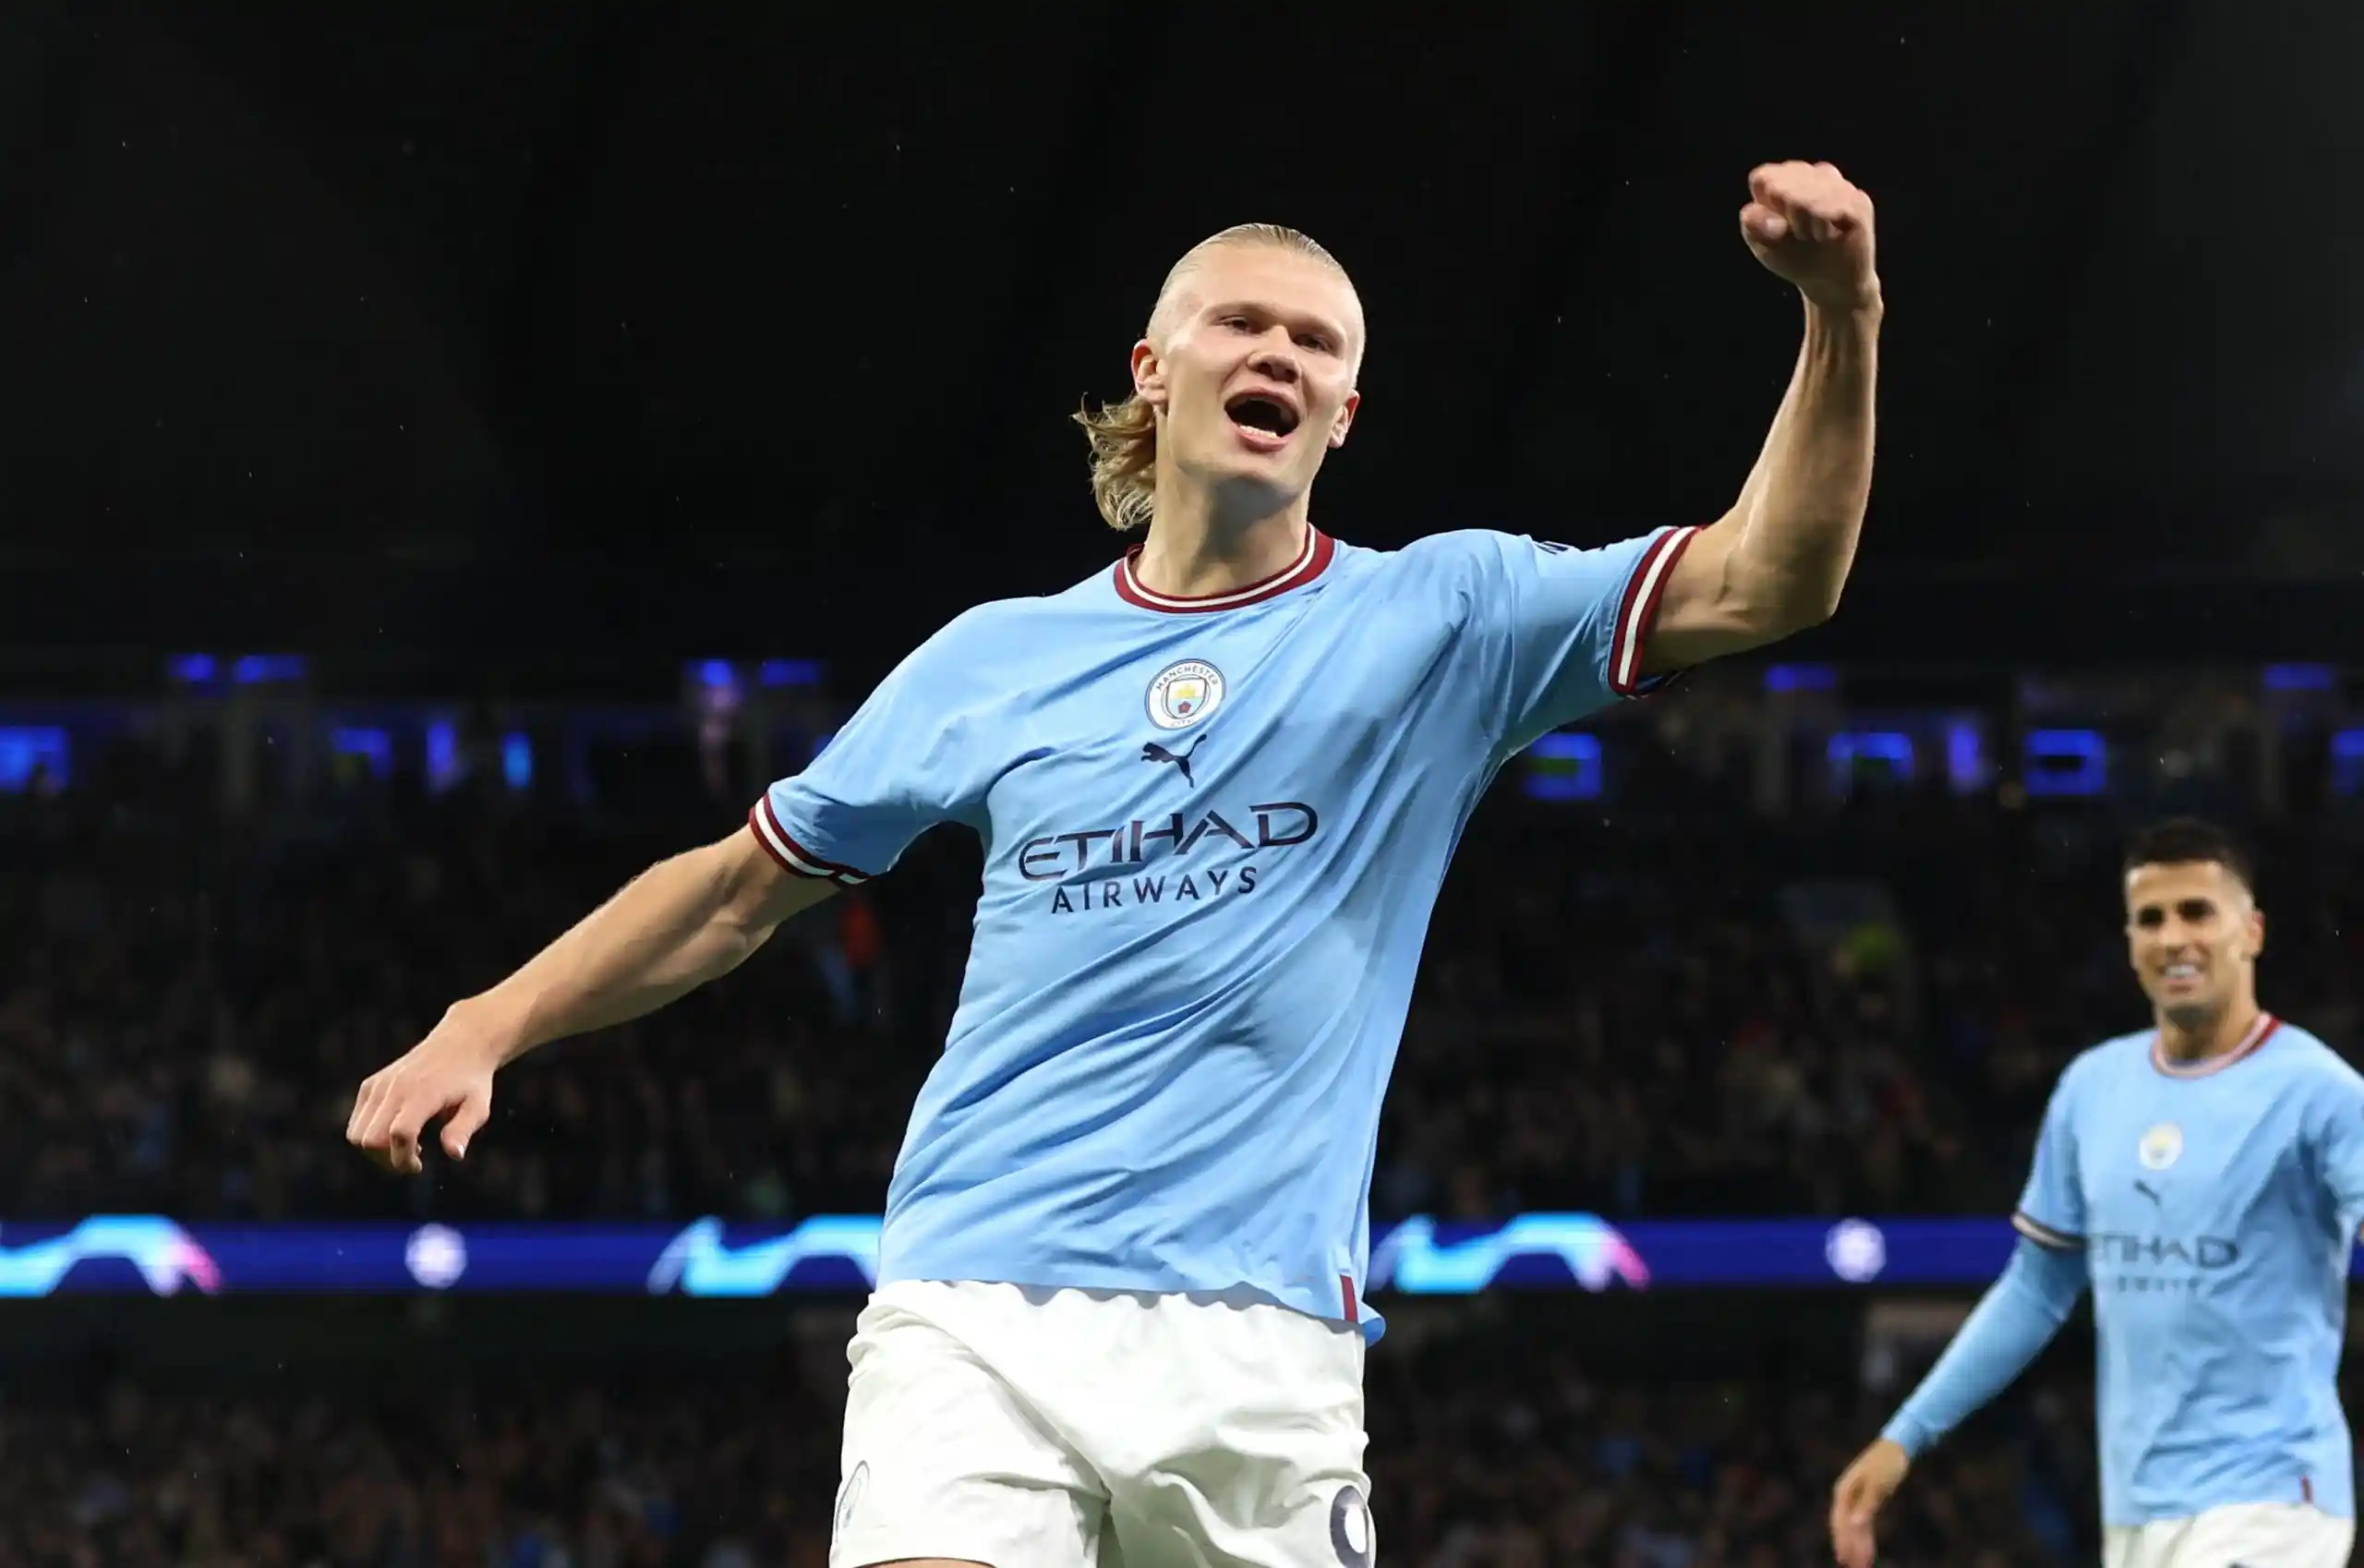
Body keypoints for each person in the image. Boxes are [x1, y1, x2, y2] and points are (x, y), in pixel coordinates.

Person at [350, 161, 1881, 1568]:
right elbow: (744, 884)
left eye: (1319, 343)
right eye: (1240, 323)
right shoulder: (992, 661)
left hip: (1262, 1341)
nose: (1278, 355)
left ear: (1347, 411)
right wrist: (490, 1020)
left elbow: (1774, 574)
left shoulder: (1449, 616)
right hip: (975, 1302)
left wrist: (1841, 309)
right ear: (1157, 370)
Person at [1830, 817, 2364, 1568]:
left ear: (2252, 931)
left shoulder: (2322, 1095)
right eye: (2151, 919)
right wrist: (1904, 1436)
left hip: (2275, 1504)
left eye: (2197, 913)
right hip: (2139, 1516)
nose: (2174, 937)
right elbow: (2035, 1290)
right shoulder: (2092, 1089)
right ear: (2130, 943)